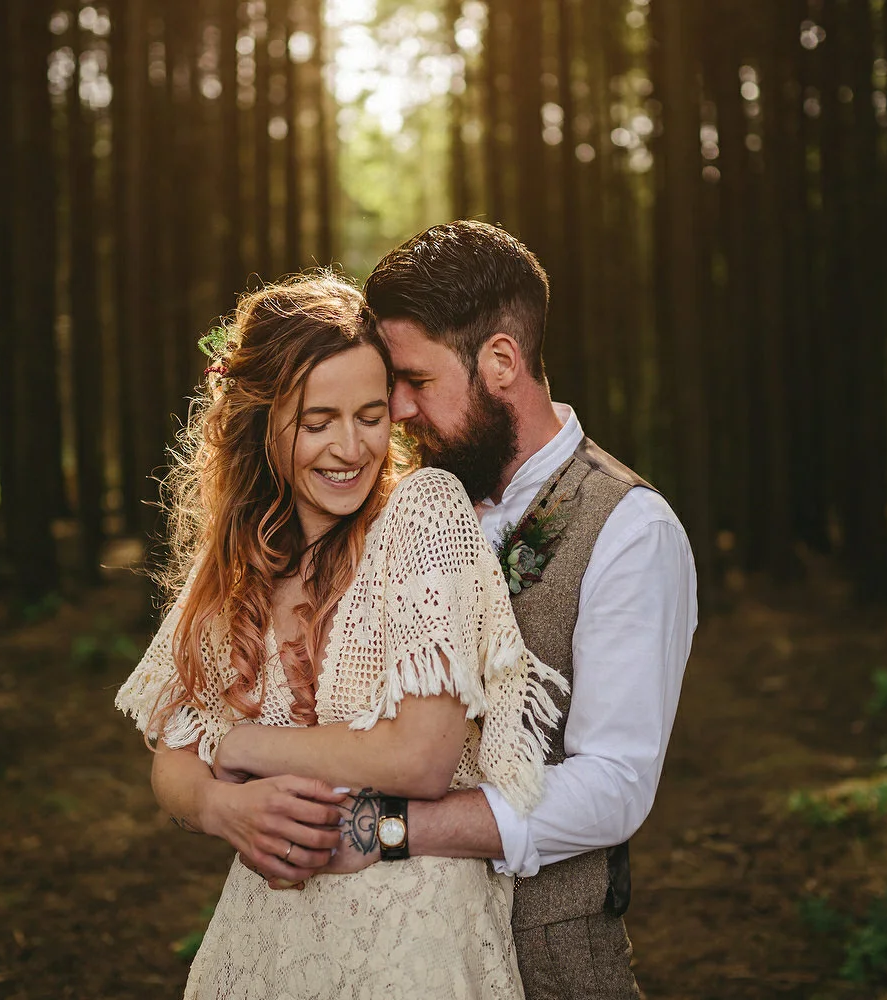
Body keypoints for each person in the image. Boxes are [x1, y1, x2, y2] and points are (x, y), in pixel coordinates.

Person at [172, 221, 697, 999]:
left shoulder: (628, 529)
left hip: (548, 958)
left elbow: (614, 786)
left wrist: (389, 833)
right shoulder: (386, 505)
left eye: (416, 381)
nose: (401, 411)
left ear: (501, 363)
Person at [115, 272, 566, 999]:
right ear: (263, 423)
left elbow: (421, 757)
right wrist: (220, 806)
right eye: (317, 421)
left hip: (412, 937)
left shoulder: (423, 516)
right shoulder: (235, 566)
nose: (350, 447)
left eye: (369, 414)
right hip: (266, 939)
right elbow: (173, 760)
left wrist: (238, 746)